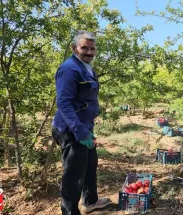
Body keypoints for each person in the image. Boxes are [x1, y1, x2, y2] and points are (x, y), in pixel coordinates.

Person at [51, 30, 111, 215]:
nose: (89, 52)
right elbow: (64, 103)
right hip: (71, 129)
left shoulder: (86, 67)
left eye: (92, 48)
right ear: (74, 48)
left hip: (84, 126)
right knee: (73, 175)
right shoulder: (69, 69)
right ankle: (69, 212)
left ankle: (90, 202)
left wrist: (87, 128)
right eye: (84, 47)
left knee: (90, 164)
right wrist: (80, 131)